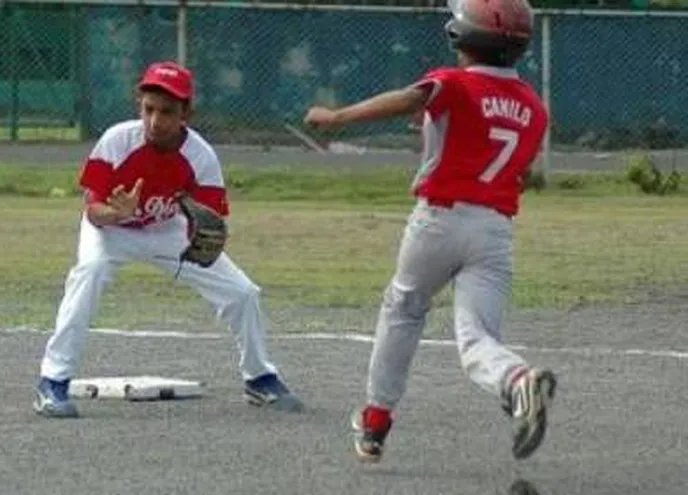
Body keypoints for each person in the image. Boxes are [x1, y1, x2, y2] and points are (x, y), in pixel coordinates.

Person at [303, 0, 557, 463]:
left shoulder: (454, 81)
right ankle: (517, 381)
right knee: (477, 336)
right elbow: (505, 153)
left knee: (403, 308)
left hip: (439, 221)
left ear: (462, 34)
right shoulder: (536, 108)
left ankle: (376, 421)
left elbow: (412, 97)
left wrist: (338, 118)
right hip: (495, 229)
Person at [33, 61, 303, 418]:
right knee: (90, 272)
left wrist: (202, 236)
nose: (155, 121)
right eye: (149, 109)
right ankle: (52, 381)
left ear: (186, 113)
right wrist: (117, 213)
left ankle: (259, 377)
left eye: (167, 112)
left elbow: (211, 219)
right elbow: (93, 210)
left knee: (242, 293)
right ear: (139, 106)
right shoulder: (116, 141)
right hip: (111, 231)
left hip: (166, 232)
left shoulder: (200, 157)